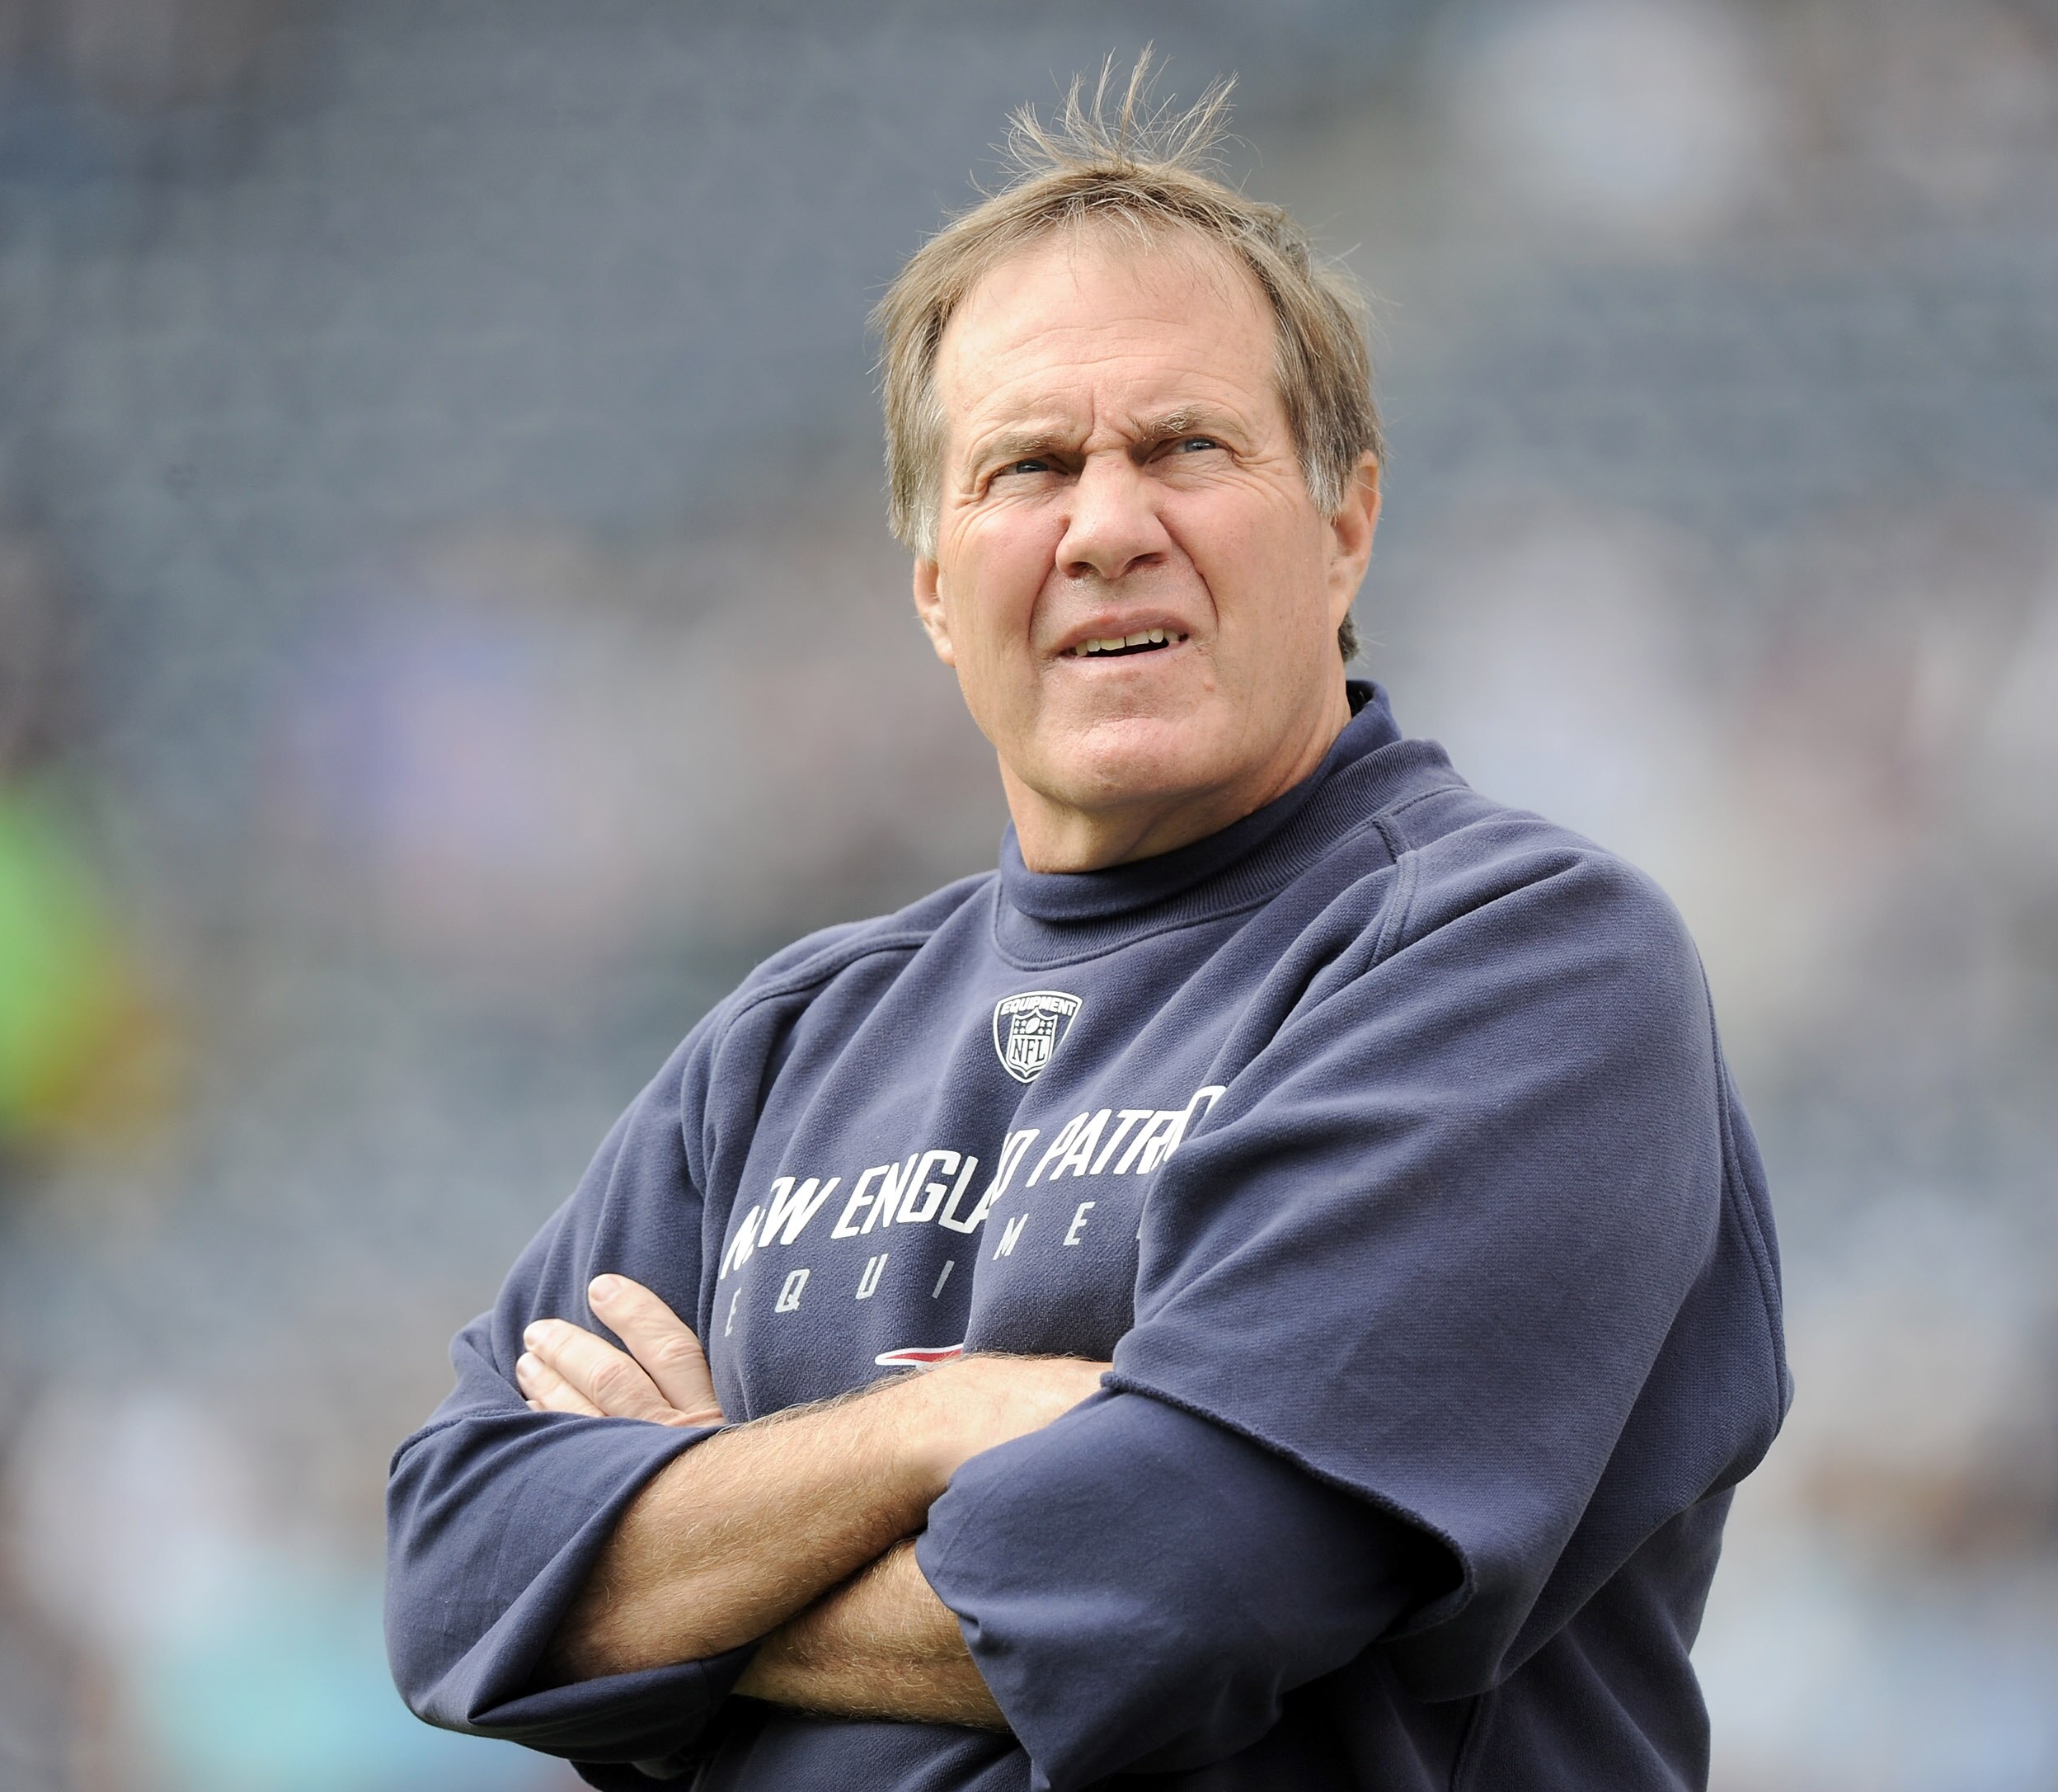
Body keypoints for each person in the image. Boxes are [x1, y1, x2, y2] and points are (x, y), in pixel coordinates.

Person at [386, 68, 1788, 1792]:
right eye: (1030, 465)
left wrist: (672, 1566)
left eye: (1187, 448)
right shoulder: (780, 1048)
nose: (1110, 525)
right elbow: (458, 1582)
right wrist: (946, 1424)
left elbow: (1174, 1585)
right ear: (930, 584)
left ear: (1345, 523)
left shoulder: (1523, 966)